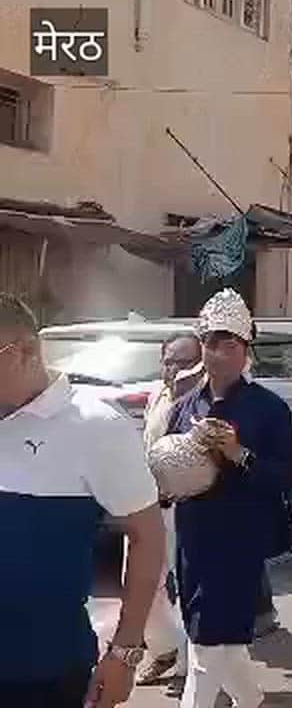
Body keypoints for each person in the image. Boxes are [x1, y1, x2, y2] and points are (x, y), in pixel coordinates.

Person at [0, 293, 164, 708]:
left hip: (43, 675)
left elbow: (147, 536)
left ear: (27, 351)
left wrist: (125, 653)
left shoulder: (96, 428)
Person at [170, 289, 292, 708]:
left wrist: (239, 455)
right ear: (201, 349)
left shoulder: (269, 409)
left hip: (240, 539)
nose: (220, 354)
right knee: (208, 636)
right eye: (212, 344)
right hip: (192, 535)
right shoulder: (186, 406)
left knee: (209, 644)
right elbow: (167, 467)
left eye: (231, 345)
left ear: (246, 351)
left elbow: (285, 478)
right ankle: (253, 699)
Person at [135, 334, 204, 689]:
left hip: (189, 507)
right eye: (167, 360)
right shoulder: (157, 395)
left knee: (189, 585)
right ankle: (163, 649)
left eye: (180, 361)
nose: (171, 368)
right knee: (143, 580)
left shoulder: (208, 400)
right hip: (150, 502)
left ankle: (193, 667)